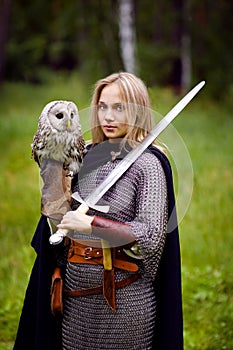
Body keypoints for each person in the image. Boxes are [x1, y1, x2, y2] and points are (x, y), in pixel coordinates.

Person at [14, 72, 183, 350]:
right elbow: (57, 232)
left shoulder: (150, 165)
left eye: (119, 107)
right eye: (103, 106)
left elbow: (150, 236)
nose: (108, 116)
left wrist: (92, 224)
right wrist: (54, 185)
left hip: (125, 300)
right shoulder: (86, 154)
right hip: (75, 296)